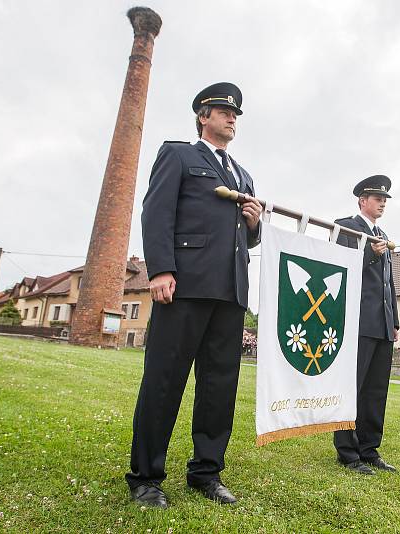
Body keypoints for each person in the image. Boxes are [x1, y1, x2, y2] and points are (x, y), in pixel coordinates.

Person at [126, 82, 263, 507]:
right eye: (224, 111)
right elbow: (157, 212)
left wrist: (255, 223)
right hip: (183, 287)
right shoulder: (179, 154)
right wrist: (161, 269)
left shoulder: (243, 174)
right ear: (203, 116)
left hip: (230, 292)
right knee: (164, 382)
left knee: (219, 386)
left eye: (235, 113)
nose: (232, 117)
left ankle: (206, 471)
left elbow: (245, 240)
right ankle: (146, 477)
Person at [333, 175, 399, 475]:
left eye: (385, 198)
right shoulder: (345, 227)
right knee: (353, 388)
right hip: (357, 321)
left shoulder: (383, 234)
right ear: (362, 201)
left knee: (375, 391)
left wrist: (395, 320)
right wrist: (369, 255)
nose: (382, 202)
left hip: (382, 324)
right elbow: (337, 269)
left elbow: (389, 284)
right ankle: (348, 452)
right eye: (377, 198)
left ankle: (369, 449)